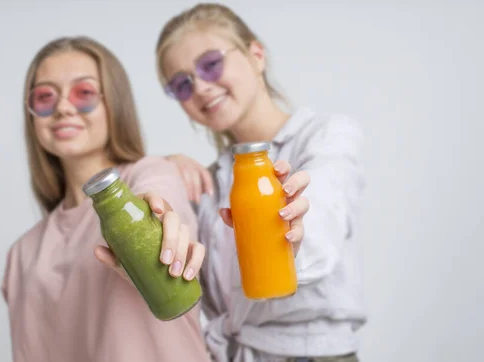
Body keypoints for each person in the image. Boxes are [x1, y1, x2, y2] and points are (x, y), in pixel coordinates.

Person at [155, 3, 366, 362]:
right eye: (182, 84)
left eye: (210, 64)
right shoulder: (207, 183)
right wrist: (159, 172)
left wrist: (294, 231)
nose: (201, 88)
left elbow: (323, 210)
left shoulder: (325, 137)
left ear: (256, 55)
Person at [0, 36, 213, 362]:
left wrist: (161, 226)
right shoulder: (21, 255)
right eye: (45, 97)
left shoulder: (153, 175)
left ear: (114, 102)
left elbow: (159, 200)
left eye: (83, 93)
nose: (63, 108)